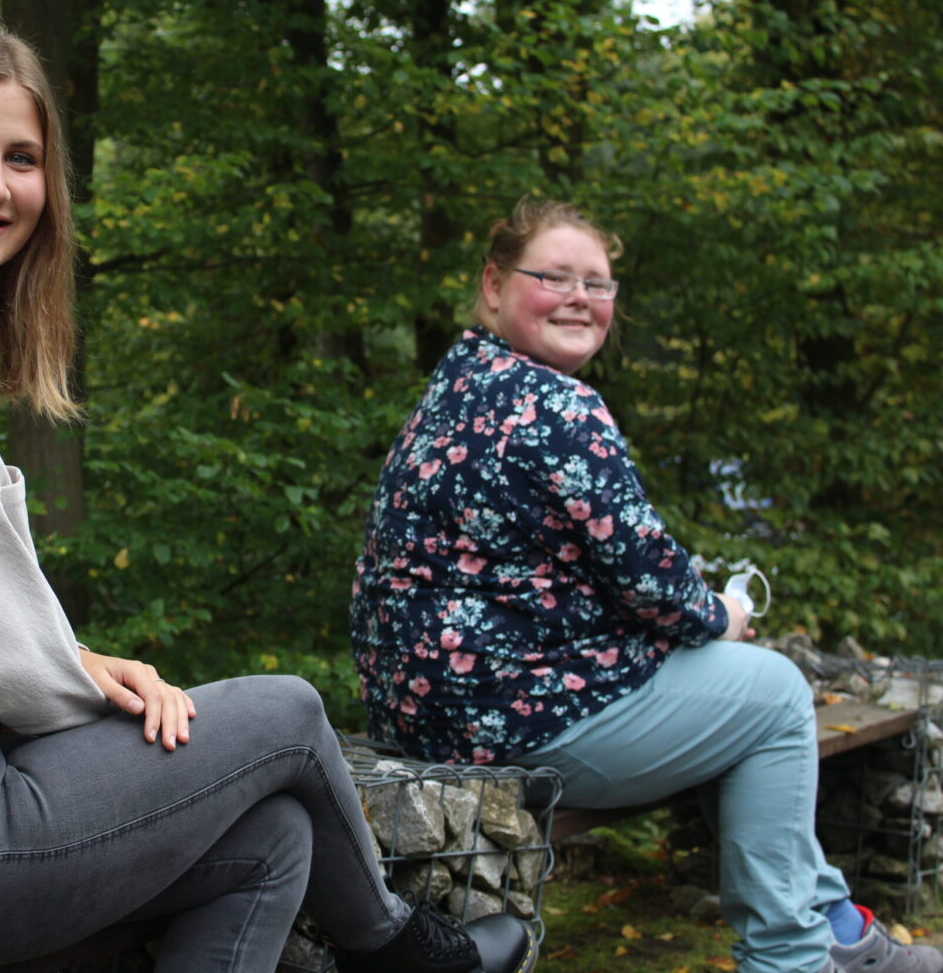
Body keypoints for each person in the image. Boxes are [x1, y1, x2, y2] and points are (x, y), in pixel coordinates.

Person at [0, 22, 539, 973]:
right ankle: (404, 952)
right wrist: (76, 681)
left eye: (21, 158)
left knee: (272, 840)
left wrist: (80, 658)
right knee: (287, 714)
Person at [349, 196, 942, 973]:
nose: (580, 298)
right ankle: (796, 955)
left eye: (597, 284)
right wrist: (722, 612)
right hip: (504, 720)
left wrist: (677, 610)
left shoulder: (460, 384)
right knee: (773, 692)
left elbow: (566, 570)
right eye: (553, 277)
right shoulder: (557, 405)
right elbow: (656, 585)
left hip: (425, 710)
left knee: (733, 705)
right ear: (493, 285)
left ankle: (832, 921)